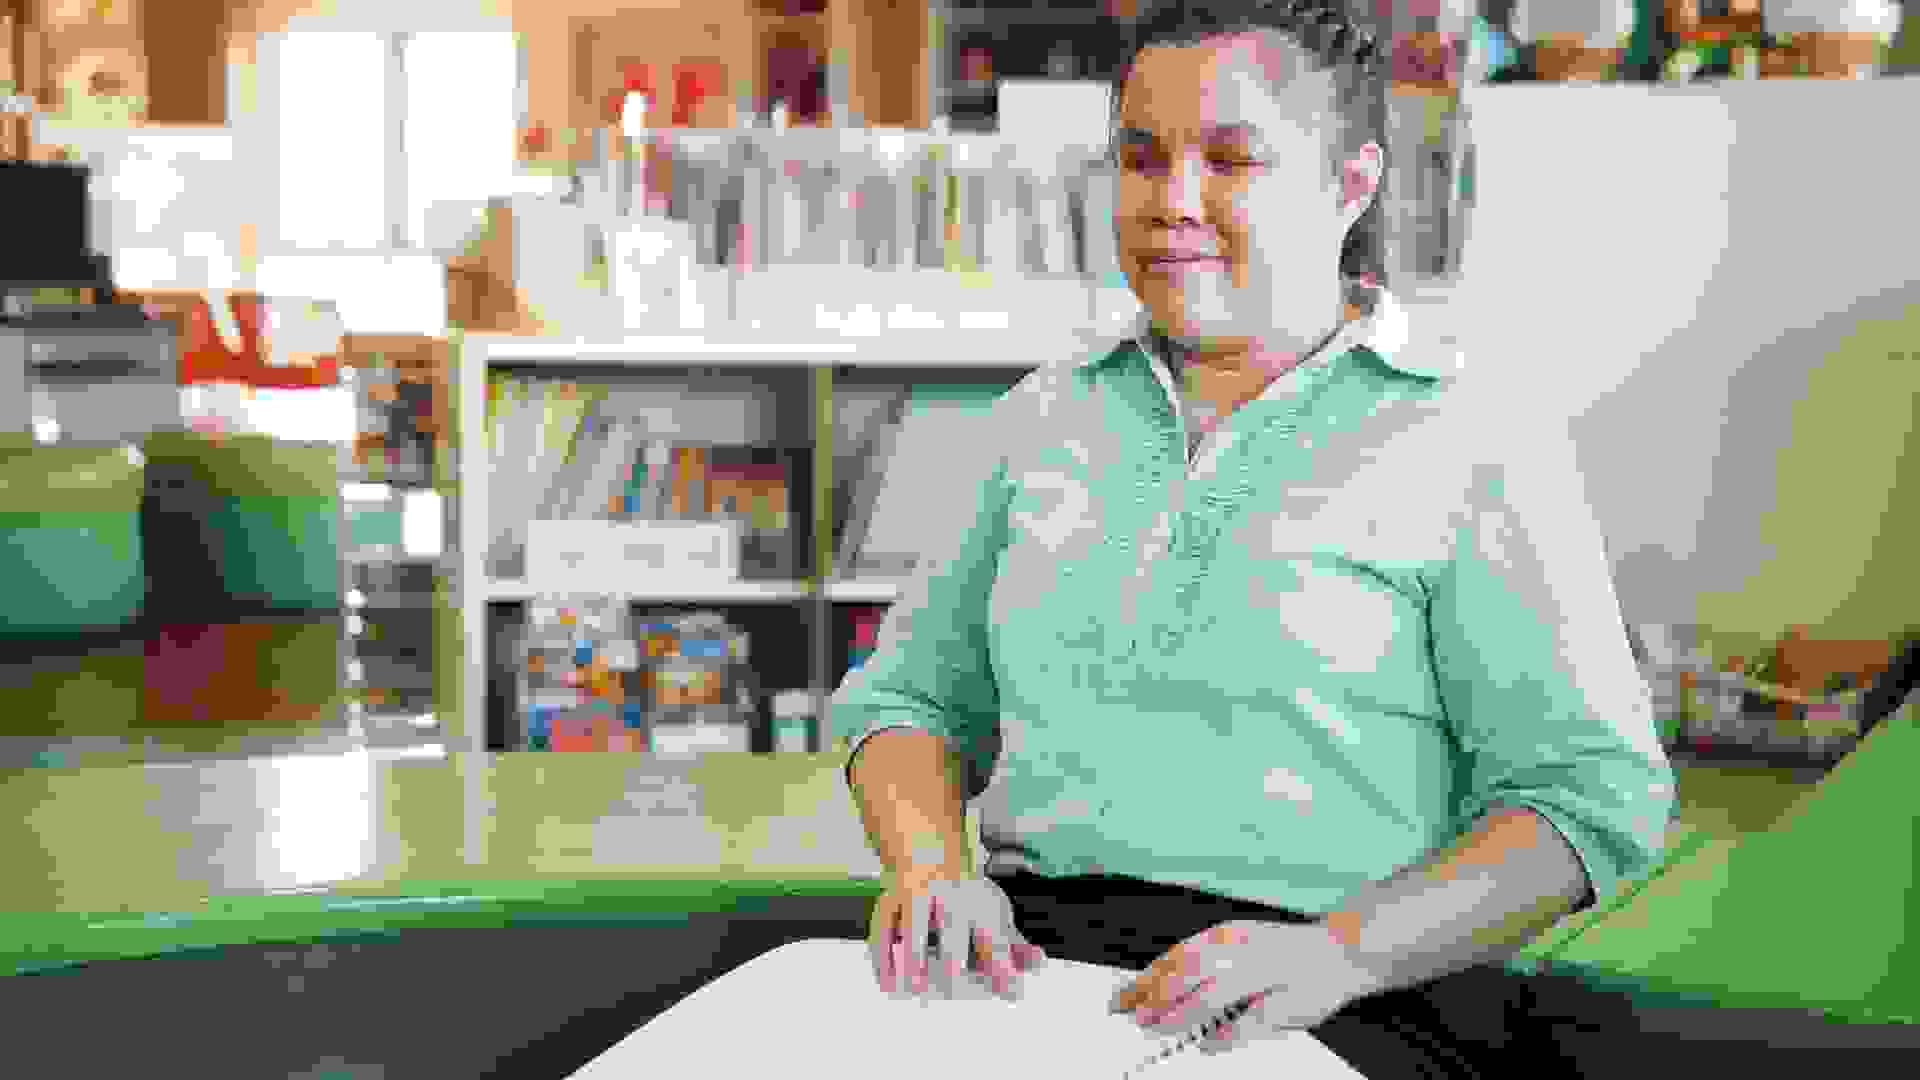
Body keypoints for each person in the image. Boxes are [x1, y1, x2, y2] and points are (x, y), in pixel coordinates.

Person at [833, 1, 1675, 1075]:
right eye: (1141, 159)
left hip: (1347, 993)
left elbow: (1589, 799)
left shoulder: (1475, 438)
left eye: (1233, 162)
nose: (1172, 203)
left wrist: (1341, 955)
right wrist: (930, 870)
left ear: (1351, 184)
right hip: (1035, 973)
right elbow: (909, 702)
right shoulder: (1041, 419)